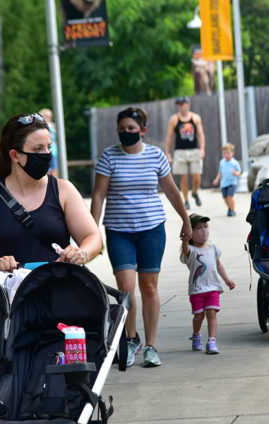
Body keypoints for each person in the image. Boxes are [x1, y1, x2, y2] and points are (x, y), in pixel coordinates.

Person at [91, 107, 192, 368]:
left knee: (149, 287)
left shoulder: (156, 156)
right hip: (118, 230)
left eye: (131, 129)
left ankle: (151, 346)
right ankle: (132, 338)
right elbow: (99, 195)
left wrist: (186, 219)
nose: (126, 133)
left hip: (151, 230)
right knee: (125, 287)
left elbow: (171, 190)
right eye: (122, 129)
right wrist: (92, 230)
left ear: (143, 131)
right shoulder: (109, 157)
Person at [0, 113, 102, 274]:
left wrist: (82, 253)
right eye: (38, 149)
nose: (46, 154)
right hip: (11, 294)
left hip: (59, 290)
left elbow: (92, 236)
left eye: (49, 147)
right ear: (15, 155)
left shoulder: (63, 190)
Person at [181, 214, 235, 355]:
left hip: (212, 288)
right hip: (197, 290)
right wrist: (185, 241)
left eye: (205, 227)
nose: (203, 230)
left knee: (211, 313)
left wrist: (227, 280)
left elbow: (219, 266)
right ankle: (196, 334)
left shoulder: (213, 249)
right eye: (198, 228)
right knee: (199, 316)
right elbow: (185, 251)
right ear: (191, 233)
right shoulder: (191, 251)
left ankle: (212, 341)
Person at [165, 96, 206, 210]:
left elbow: (200, 134)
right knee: (183, 176)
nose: (180, 106)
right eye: (178, 104)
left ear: (188, 104)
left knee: (196, 174)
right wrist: (167, 152)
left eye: (182, 104)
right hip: (180, 151)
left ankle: (195, 191)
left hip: (194, 150)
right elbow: (169, 136)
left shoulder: (195, 118)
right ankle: (186, 200)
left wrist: (202, 149)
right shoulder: (174, 119)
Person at [212, 142, 241, 217]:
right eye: (224, 153)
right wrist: (216, 179)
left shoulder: (235, 163)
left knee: (230, 196)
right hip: (224, 183)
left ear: (232, 153)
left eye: (228, 153)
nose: (226, 155)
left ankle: (232, 210)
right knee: (225, 198)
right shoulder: (222, 162)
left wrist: (235, 173)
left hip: (232, 182)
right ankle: (229, 207)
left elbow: (239, 172)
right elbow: (220, 172)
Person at [38, 108, 59, 177]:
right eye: (47, 116)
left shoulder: (53, 126)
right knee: (46, 169)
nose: (49, 118)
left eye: (50, 116)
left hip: (53, 151)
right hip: (44, 151)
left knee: (54, 169)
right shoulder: (39, 127)